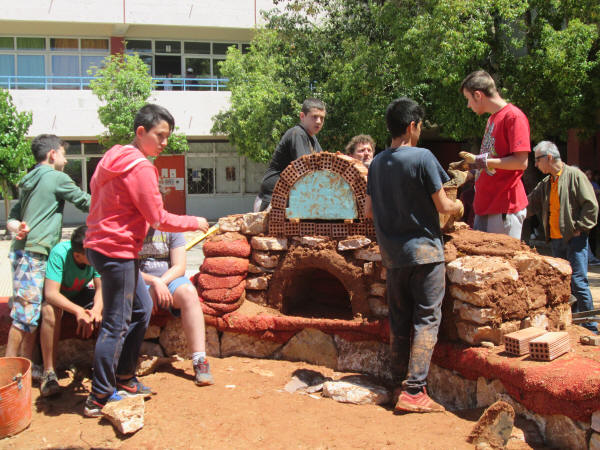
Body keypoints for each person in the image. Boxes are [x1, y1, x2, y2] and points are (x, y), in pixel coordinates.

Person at [83, 104, 210, 417]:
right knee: (116, 323)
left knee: (140, 310)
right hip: (117, 250)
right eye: (160, 135)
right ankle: (99, 396)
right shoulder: (140, 167)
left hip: (100, 245)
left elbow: (94, 191)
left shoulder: (112, 157)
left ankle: (125, 377)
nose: (165, 142)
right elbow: (158, 218)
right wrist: (194, 221)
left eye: (168, 136)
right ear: (141, 132)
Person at [365, 97, 463, 413]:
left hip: (393, 257)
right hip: (425, 254)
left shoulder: (376, 163)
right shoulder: (423, 157)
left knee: (399, 319)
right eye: (419, 126)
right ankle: (415, 391)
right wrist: (460, 207)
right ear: (412, 126)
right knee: (427, 318)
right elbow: (444, 205)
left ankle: (398, 385)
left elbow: (368, 211)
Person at [5, 134, 90, 361]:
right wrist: (118, 207)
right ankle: (8, 372)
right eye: (64, 154)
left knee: (32, 312)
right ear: (53, 154)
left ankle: (28, 365)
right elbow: (85, 201)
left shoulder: (29, 179)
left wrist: (17, 227)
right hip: (35, 253)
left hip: (22, 250)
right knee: (24, 317)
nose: (66, 160)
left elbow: (12, 218)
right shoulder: (55, 176)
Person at [527, 141, 598, 334]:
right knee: (563, 283)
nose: (536, 164)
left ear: (549, 157)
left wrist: (580, 228)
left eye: (537, 160)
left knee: (578, 282)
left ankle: (590, 327)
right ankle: (573, 323)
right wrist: (513, 212)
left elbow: (591, 205)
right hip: (556, 240)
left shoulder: (575, 176)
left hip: (574, 239)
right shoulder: (546, 183)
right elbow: (530, 203)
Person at [138, 227, 214, 386]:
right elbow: (127, 268)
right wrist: (153, 282)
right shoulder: (130, 226)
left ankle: (199, 360)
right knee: (128, 300)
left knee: (189, 293)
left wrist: (160, 283)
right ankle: (124, 360)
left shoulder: (170, 228)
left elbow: (179, 266)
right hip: (140, 281)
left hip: (169, 280)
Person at [459, 70, 530, 239]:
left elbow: (521, 162)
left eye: (468, 99)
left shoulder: (513, 116)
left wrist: (481, 160)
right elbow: (492, 161)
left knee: (501, 256)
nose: (468, 105)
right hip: (486, 206)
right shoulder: (492, 119)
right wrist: (470, 171)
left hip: (503, 207)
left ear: (478, 95)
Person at [38, 225, 102, 397]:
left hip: (80, 294)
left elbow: (101, 289)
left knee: (108, 307)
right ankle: (49, 373)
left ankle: (103, 368)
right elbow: (51, 293)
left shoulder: (94, 253)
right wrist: (78, 311)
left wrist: (96, 310)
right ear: (78, 255)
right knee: (49, 311)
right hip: (60, 298)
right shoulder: (60, 253)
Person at [255, 98, 326, 212]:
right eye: (314, 117)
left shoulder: (313, 139)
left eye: (322, 118)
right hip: (273, 198)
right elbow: (305, 169)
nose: (318, 121)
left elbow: (323, 165)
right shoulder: (297, 133)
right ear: (302, 116)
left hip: (288, 197)